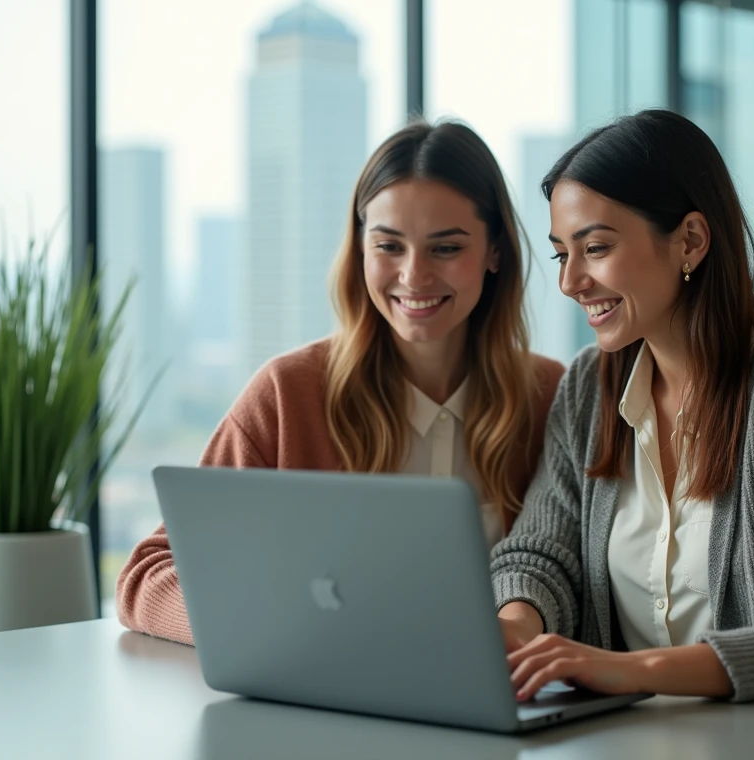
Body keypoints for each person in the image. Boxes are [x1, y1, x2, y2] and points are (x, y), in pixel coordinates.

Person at [492, 109, 754, 703]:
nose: (571, 283)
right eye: (563, 254)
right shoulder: (591, 383)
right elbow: (543, 552)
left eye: (595, 247)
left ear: (690, 240)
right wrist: (513, 628)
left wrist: (638, 671)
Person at [117, 120, 565, 645]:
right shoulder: (288, 394)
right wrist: (268, 625)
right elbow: (148, 572)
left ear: (494, 252)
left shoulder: (549, 396)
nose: (414, 275)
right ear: (359, 249)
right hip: (323, 704)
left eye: (446, 248)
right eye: (389, 246)